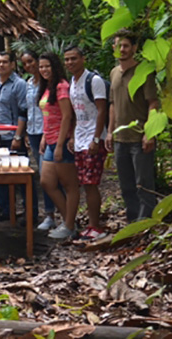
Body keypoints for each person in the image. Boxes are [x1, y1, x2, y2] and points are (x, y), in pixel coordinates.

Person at [106, 31, 159, 222]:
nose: (122, 49)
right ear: (113, 49)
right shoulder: (114, 73)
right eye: (118, 45)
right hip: (121, 138)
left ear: (134, 48)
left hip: (139, 137)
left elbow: (153, 103)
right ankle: (132, 221)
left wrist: (150, 133)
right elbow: (112, 104)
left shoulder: (143, 72)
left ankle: (146, 223)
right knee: (126, 184)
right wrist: (110, 131)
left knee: (143, 183)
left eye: (126, 45)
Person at [64, 45, 109, 239]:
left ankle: (96, 226)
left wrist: (96, 139)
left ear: (83, 58)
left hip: (93, 138)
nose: (70, 63)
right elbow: (75, 112)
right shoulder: (72, 82)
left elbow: (102, 110)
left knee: (91, 183)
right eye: (67, 60)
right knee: (84, 182)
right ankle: (91, 225)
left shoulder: (94, 80)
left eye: (74, 58)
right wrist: (73, 136)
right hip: (80, 137)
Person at [38, 51, 80, 240]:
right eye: (41, 67)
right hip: (50, 140)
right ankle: (69, 221)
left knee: (69, 184)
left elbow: (67, 116)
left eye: (47, 66)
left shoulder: (62, 86)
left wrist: (60, 144)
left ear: (54, 66)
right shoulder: (48, 87)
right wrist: (45, 137)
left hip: (61, 141)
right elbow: (48, 116)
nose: (44, 70)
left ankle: (70, 225)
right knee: (47, 182)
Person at [0, 51, 29, 221]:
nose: (1, 65)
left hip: (13, 137)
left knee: (21, 175)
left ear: (12, 64)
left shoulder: (19, 84)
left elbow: (23, 111)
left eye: (5, 62)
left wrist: (18, 137)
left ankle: (29, 211)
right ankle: (4, 209)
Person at [22, 51, 56, 230]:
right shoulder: (28, 84)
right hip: (33, 132)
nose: (29, 66)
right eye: (25, 63)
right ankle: (50, 214)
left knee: (47, 176)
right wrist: (27, 133)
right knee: (44, 175)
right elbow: (29, 109)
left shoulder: (50, 85)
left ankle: (55, 214)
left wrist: (44, 133)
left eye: (31, 62)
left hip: (48, 134)